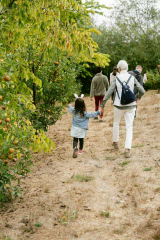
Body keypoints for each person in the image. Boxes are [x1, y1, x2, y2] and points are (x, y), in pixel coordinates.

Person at [100, 60, 145, 158]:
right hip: (131, 105)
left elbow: (109, 92)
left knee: (116, 123)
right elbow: (142, 90)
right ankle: (127, 149)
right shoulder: (132, 77)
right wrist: (137, 96)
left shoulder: (117, 78)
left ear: (119, 68)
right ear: (127, 68)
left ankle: (115, 143)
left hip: (118, 105)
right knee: (129, 127)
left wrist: (102, 104)